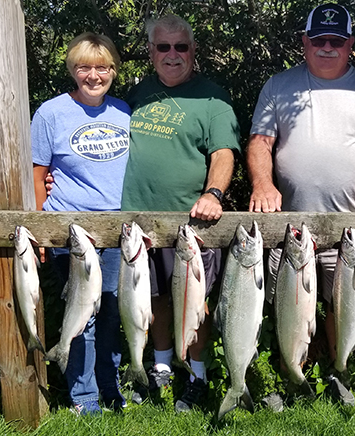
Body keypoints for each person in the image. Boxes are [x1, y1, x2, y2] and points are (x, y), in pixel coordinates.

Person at [247, 3, 355, 406]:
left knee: (341, 304)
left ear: (350, 43)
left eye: (336, 41)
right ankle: (289, 377)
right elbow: (260, 141)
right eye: (319, 40)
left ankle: (340, 372)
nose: (328, 48)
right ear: (305, 42)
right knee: (287, 304)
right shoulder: (279, 85)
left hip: (347, 226)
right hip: (288, 227)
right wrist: (263, 184)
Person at [120, 14, 240, 412]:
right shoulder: (135, 95)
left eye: (181, 47)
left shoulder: (212, 98)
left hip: (192, 224)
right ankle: (160, 369)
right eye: (163, 47)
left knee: (196, 302)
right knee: (153, 300)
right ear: (151, 52)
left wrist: (214, 193)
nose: (173, 55)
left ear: (193, 51)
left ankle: (199, 375)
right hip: (137, 224)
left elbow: (223, 152)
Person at [32, 32, 130, 416]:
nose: (94, 75)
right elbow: (38, 175)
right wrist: (42, 228)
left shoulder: (124, 110)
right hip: (72, 234)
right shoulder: (51, 113)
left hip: (117, 232)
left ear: (113, 71)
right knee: (83, 315)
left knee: (111, 312)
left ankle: (111, 388)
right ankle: (83, 398)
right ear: (73, 70)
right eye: (84, 67)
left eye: (102, 66)